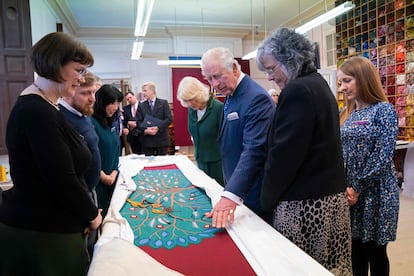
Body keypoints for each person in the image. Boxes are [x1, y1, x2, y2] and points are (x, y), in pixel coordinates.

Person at [0, 32, 102, 275]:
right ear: (56, 64)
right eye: (78, 70)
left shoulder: (46, 106)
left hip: (50, 226)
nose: (81, 79)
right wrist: (91, 215)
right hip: (42, 234)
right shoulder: (37, 111)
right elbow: (61, 179)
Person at [256, 28, 352, 275]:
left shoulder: (297, 90)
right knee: (330, 267)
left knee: (301, 268)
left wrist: (265, 201)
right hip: (328, 199)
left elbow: (285, 155)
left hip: (306, 208)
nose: (269, 77)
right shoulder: (318, 84)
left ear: (289, 59)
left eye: (270, 69)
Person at [338, 56, 399, 276]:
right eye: (340, 83)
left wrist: (357, 187)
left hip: (377, 193)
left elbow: (383, 156)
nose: (343, 88)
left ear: (363, 79)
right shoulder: (346, 113)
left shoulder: (384, 111)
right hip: (350, 195)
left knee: (376, 251)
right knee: (356, 252)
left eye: (347, 81)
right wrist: (345, 186)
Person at [201, 47, 275, 228]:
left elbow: (254, 150)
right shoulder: (232, 92)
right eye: (209, 79)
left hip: (254, 193)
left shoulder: (255, 97)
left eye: (218, 76)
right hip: (240, 189)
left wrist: (230, 196)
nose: (215, 84)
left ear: (235, 68)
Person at [58, 71, 101, 259]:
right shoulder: (61, 119)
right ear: (69, 91)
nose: (92, 99)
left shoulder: (83, 114)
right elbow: (65, 175)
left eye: (93, 92)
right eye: (85, 93)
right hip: (78, 198)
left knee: (92, 250)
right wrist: (86, 211)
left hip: (91, 192)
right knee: (81, 254)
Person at [177, 76, 225, 186]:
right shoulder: (192, 110)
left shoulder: (218, 108)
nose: (189, 104)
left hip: (217, 163)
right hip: (200, 160)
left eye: (190, 100)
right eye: (185, 101)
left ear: (198, 94)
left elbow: (227, 139)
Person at [91, 84, 124, 217]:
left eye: (117, 103)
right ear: (102, 102)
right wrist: (103, 176)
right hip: (98, 181)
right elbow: (89, 155)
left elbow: (117, 148)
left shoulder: (112, 122)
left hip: (113, 178)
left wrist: (114, 172)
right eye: (112, 103)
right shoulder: (91, 122)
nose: (115, 107)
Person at [136, 82, 173, 156]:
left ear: (152, 90)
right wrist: (145, 130)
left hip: (161, 140)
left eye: (145, 90)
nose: (143, 93)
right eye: (142, 91)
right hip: (147, 141)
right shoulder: (141, 105)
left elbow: (169, 119)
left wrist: (158, 128)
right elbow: (138, 121)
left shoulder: (163, 103)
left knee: (162, 164)